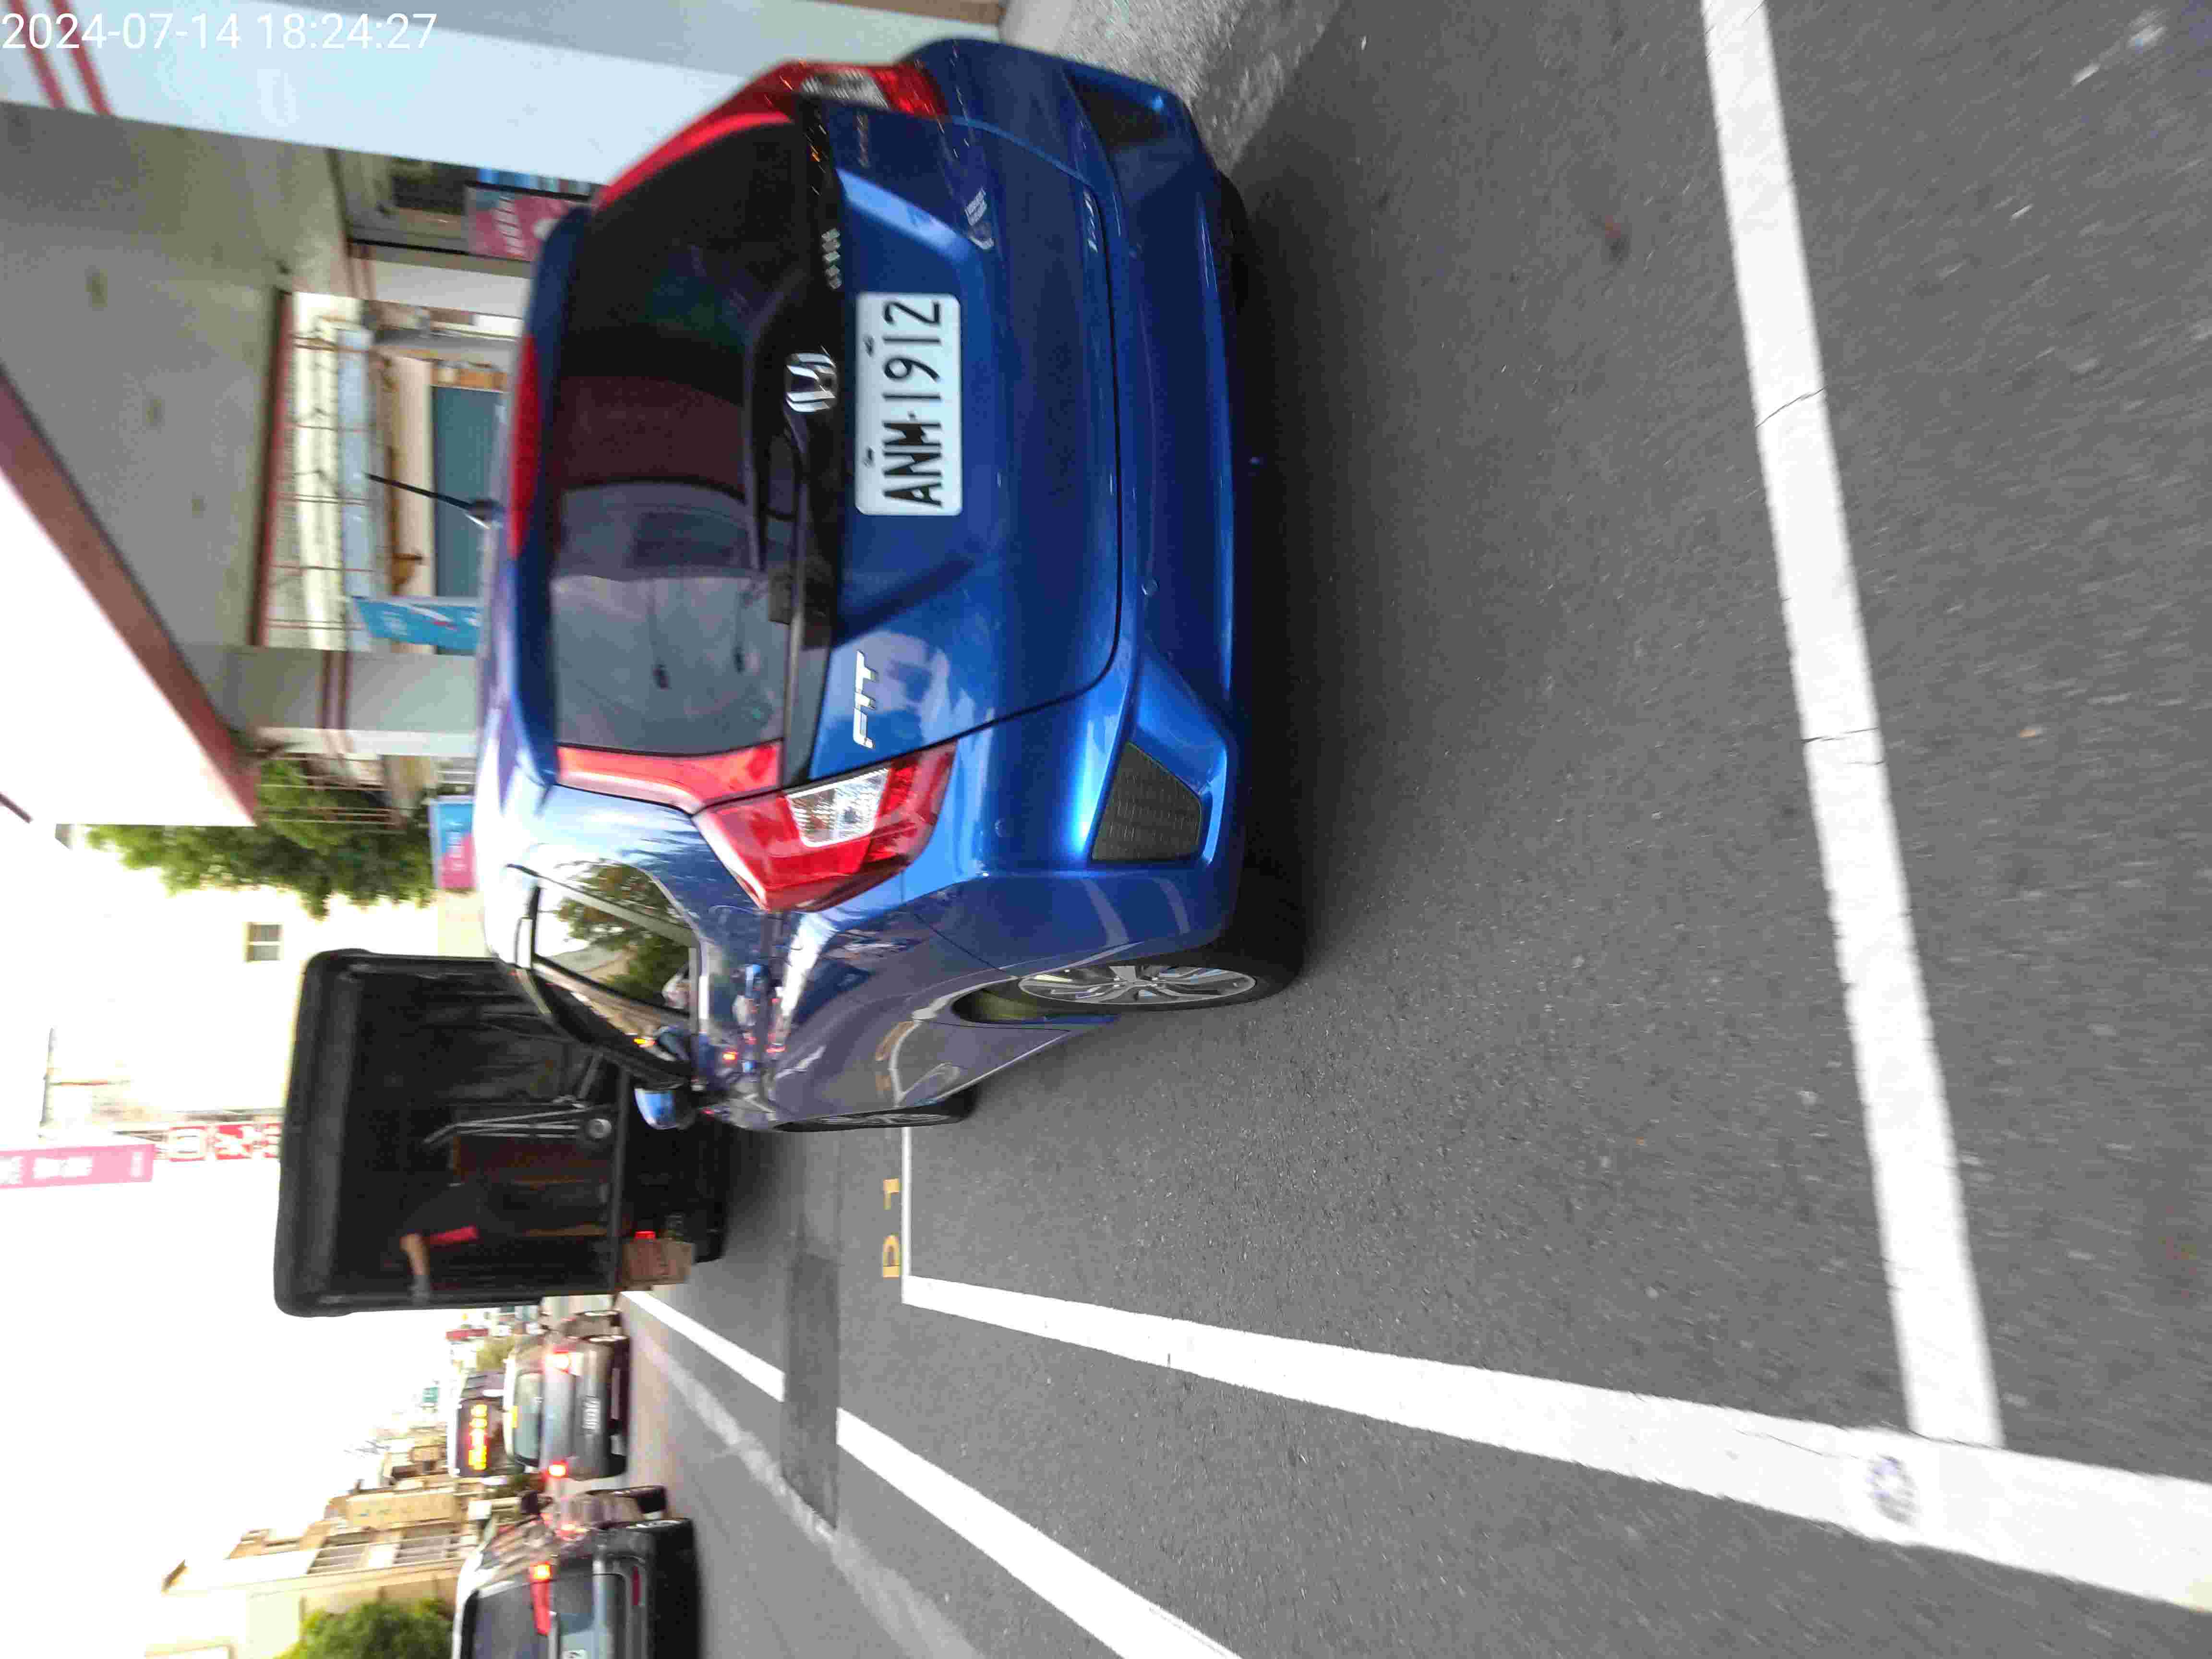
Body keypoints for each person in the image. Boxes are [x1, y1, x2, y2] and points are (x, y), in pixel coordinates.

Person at [393, 1177, 608, 1304]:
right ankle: (595, 1194)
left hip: (479, 1216)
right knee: (540, 1199)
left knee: (541, 1218)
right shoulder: (409, 1211)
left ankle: (597, 1213)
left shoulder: (397, 1236)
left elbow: (412, 1240)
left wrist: (422, 1284)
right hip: (478, 1192)